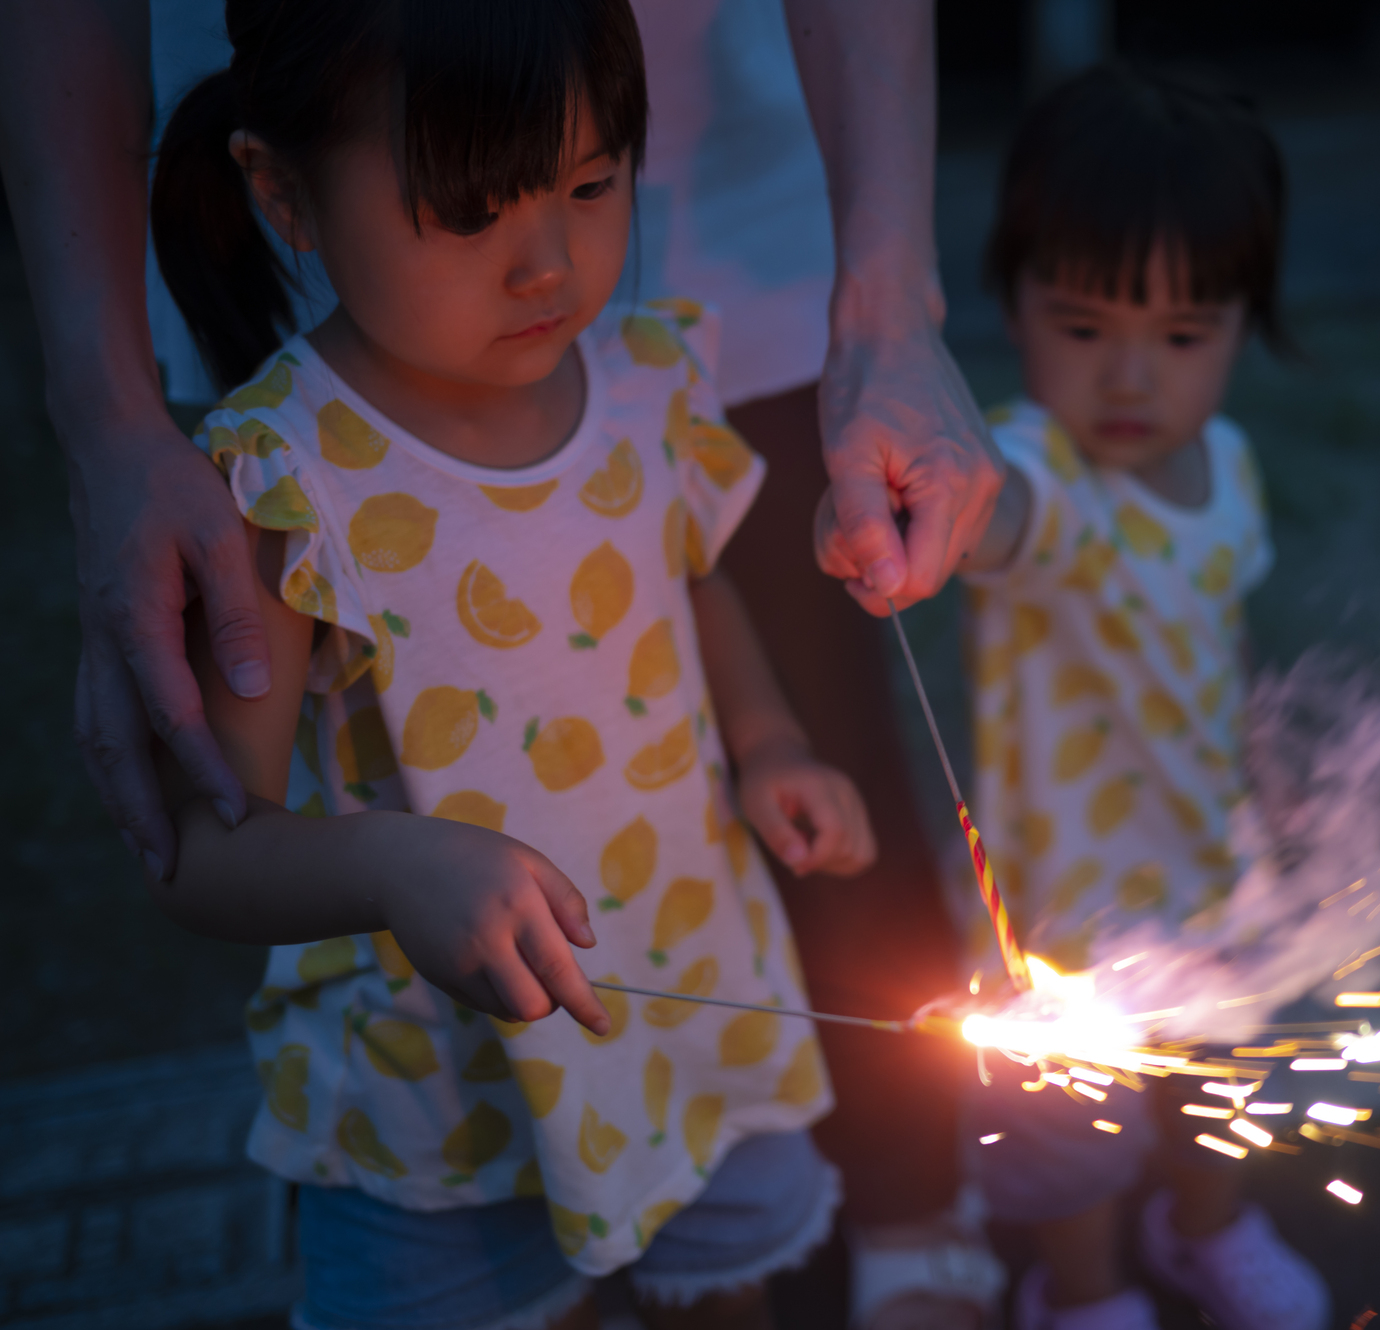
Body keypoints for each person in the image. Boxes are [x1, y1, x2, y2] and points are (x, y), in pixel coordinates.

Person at [0, 2, 999, 1324]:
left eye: (592, 183)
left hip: (688, 1023)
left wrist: (768, 744)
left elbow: (684, 582)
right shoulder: (279, 482)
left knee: (727, 1295)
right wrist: (394, 862)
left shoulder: (648, 376)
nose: (547, 264)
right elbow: (202, 845)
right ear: (284, 193)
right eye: (468, 213)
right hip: (444, 1121)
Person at [945, 64, 1330, 1330]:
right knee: (1073, 1125)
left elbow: (1216, 643)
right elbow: (995, 515)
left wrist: (1272, 783)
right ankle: (1084, 1285)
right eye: (1081, 324)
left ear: (1240, 324)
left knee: (1216, 1078)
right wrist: (934, 488)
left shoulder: (1225, 472)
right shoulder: (1038, 473)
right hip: (1059, 909)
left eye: (1178, 336)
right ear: (1009, 305)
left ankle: (1203, 1225)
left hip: (1205, 875)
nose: (1127, 377)